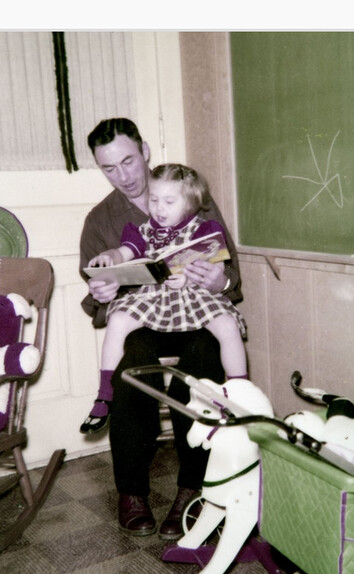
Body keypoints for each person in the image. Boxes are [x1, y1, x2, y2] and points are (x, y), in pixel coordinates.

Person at [79, 118, 243, 539]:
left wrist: (218, 280)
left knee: (205, 355)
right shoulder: (100, 219)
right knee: (132, 364)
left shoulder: (191, 196)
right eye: (109, 168)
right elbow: (96, 300)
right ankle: (132, 491)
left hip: (195, 312)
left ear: (145, 151)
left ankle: (193, 487)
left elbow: (231, 275)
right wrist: (103, 291)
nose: (123, 176)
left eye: (128, 161)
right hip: (145, 318)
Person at [81, 162, 247, 433]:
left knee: (228, 325)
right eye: (154, 199)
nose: (159, 208)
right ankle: (104, 394)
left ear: (191, 203)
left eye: (169, 201)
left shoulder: (205, 229)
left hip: (194, 297)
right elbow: (125, 252)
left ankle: (239, 391)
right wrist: (110, 256)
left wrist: (193, 276)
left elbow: (217, 266)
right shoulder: (142, 231)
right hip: (153, 299)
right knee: (118, 320)